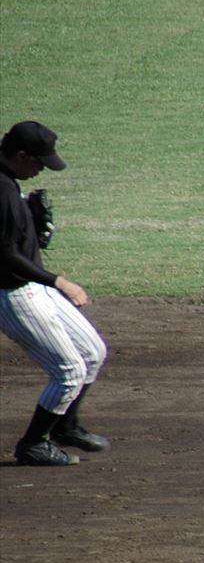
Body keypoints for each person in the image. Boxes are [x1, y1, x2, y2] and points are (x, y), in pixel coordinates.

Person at [0, 120, 109, 466]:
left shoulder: (9, 183)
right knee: (69, 371)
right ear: (21, 156)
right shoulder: (1, 190)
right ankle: (33, 444)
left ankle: (66, 427)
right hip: (14, 295)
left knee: (92, 352)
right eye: (39, 162)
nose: (42, 170)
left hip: (33, 287)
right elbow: (6, 256)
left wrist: (30, 226)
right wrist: (59, 281)